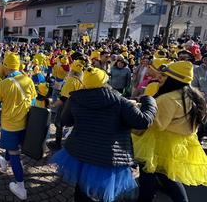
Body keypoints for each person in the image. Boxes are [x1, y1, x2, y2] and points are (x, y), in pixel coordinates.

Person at [49, 67, 157, 202]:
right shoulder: (119, 101)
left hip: (80, 151)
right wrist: (150, 101)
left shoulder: (75, 98)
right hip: (108, 156)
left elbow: (65, 121)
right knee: (105, 193)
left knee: (81, 188)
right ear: (105, 81)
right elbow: (143, 121)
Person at [133, 61, 207, 201]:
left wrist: (138, 110)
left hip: (158, 142)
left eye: (164, 76)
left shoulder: (168, 98)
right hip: (177, 143)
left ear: (174, 79)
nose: (159, 78)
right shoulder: (194, 96)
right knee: (167, 177)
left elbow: (157, 124)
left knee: (150, 175)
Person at [0, 52, 37, 200]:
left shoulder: (3, 84)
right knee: (12, 148)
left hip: (10, 125)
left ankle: (20, 187)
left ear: (6, 67)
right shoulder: (28, 80)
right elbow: (33, 102)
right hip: (25, 123)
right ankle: (4, 161)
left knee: (15, 154)